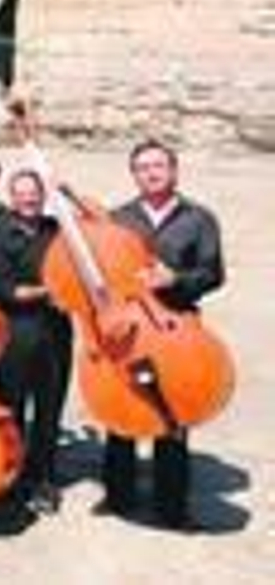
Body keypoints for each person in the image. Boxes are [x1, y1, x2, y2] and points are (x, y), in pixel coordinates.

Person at [101, 139, 226, 530]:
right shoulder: (118, 218)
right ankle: (119, 494)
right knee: (120, 406)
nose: (151, 172)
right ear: (134, 174)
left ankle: (171, 505)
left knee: (174, 413)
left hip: (176, 328)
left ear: (174, 171)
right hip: (130, 325)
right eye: (143, 167)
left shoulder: (199, 218)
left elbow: (213, 274)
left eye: (158, 166)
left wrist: (176, 279)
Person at [0, 169, 71, 516]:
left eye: (34, 193)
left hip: (56, 332)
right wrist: (50, 291)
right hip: (15, 333)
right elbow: (1, 288)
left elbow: (95, 235)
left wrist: (70, 195)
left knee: (49, 411)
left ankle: (43, 480)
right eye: (21, 194)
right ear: (12, 198)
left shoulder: (56, 231)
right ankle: (8, 480)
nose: (29, 199)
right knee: (11, 409)